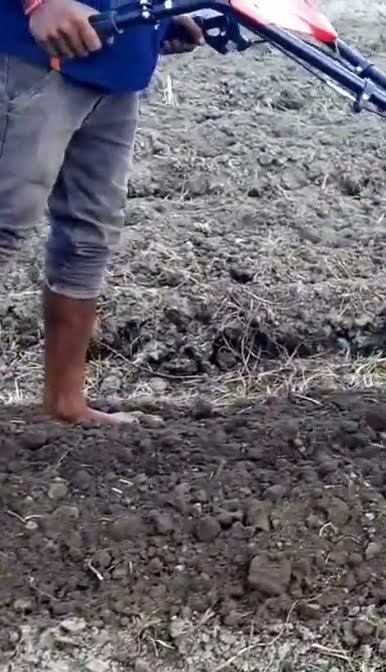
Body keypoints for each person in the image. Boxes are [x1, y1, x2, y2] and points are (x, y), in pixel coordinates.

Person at [1, 0, 204, 424]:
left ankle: (66, 404)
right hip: (32, 55)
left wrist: (158, 15)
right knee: (6, 219)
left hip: (113, 66)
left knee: (89, 235)